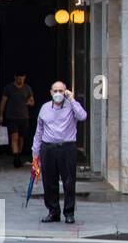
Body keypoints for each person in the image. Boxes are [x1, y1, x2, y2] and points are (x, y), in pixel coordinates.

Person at [32, 81, 88, 224]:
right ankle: (53, 212)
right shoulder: (44, 108)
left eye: (61, 91)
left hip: (67, 148)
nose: (58, 94)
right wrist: (35, 154)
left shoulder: (72, 106)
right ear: (51, 92)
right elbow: (39, 132)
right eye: (55, 91)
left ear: (66, 92)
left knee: (69, 182)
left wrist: (72, 99)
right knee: (49, 182)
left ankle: (69, 213)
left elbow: (83, 116)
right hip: (48, 148)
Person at [0, 72, 35, 168]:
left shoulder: (27, 88)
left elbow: (32, 102)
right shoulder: (9, 88)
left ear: (24, 77)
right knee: (14, 137)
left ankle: (18, 154)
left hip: (24, 117)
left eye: (22, 77)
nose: (20, 79)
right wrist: (1, 115)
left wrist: (29, 102)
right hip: (12, 117)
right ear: (15, 77)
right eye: (18, 77)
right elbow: (3, 101)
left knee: (21, 138)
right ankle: (16, 157)